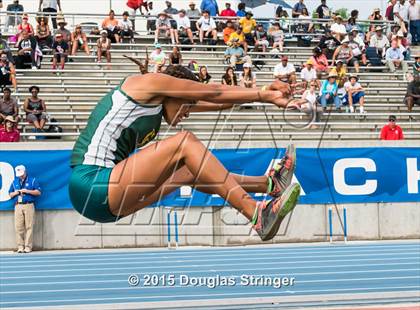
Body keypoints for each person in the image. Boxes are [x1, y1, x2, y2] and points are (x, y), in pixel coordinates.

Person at [69, 66, 300, 243]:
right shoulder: (147, 83)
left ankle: (270, 185)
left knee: (188, 171)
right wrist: (263, 95)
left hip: (111, 201)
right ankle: (256, 213)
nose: (187, 114)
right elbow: (214, 92)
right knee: (184, 142)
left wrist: (263, 94)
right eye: (187, 105)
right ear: (176, 90)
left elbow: (217, 102)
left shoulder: (160, 104)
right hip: (91, 183)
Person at [9, 165, 41, 253]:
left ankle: (28, 247)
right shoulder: (14, 182)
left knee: (29, 226)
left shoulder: (32, 180)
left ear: (25, 172)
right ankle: (20, 246)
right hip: (18, 205)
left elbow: (38, 192)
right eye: (19, 174)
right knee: (18, 227)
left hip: (29, 205)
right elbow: (10, 194)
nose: (20, 176)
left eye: (22, 174)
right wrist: (16, 193)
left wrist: (27, 191)